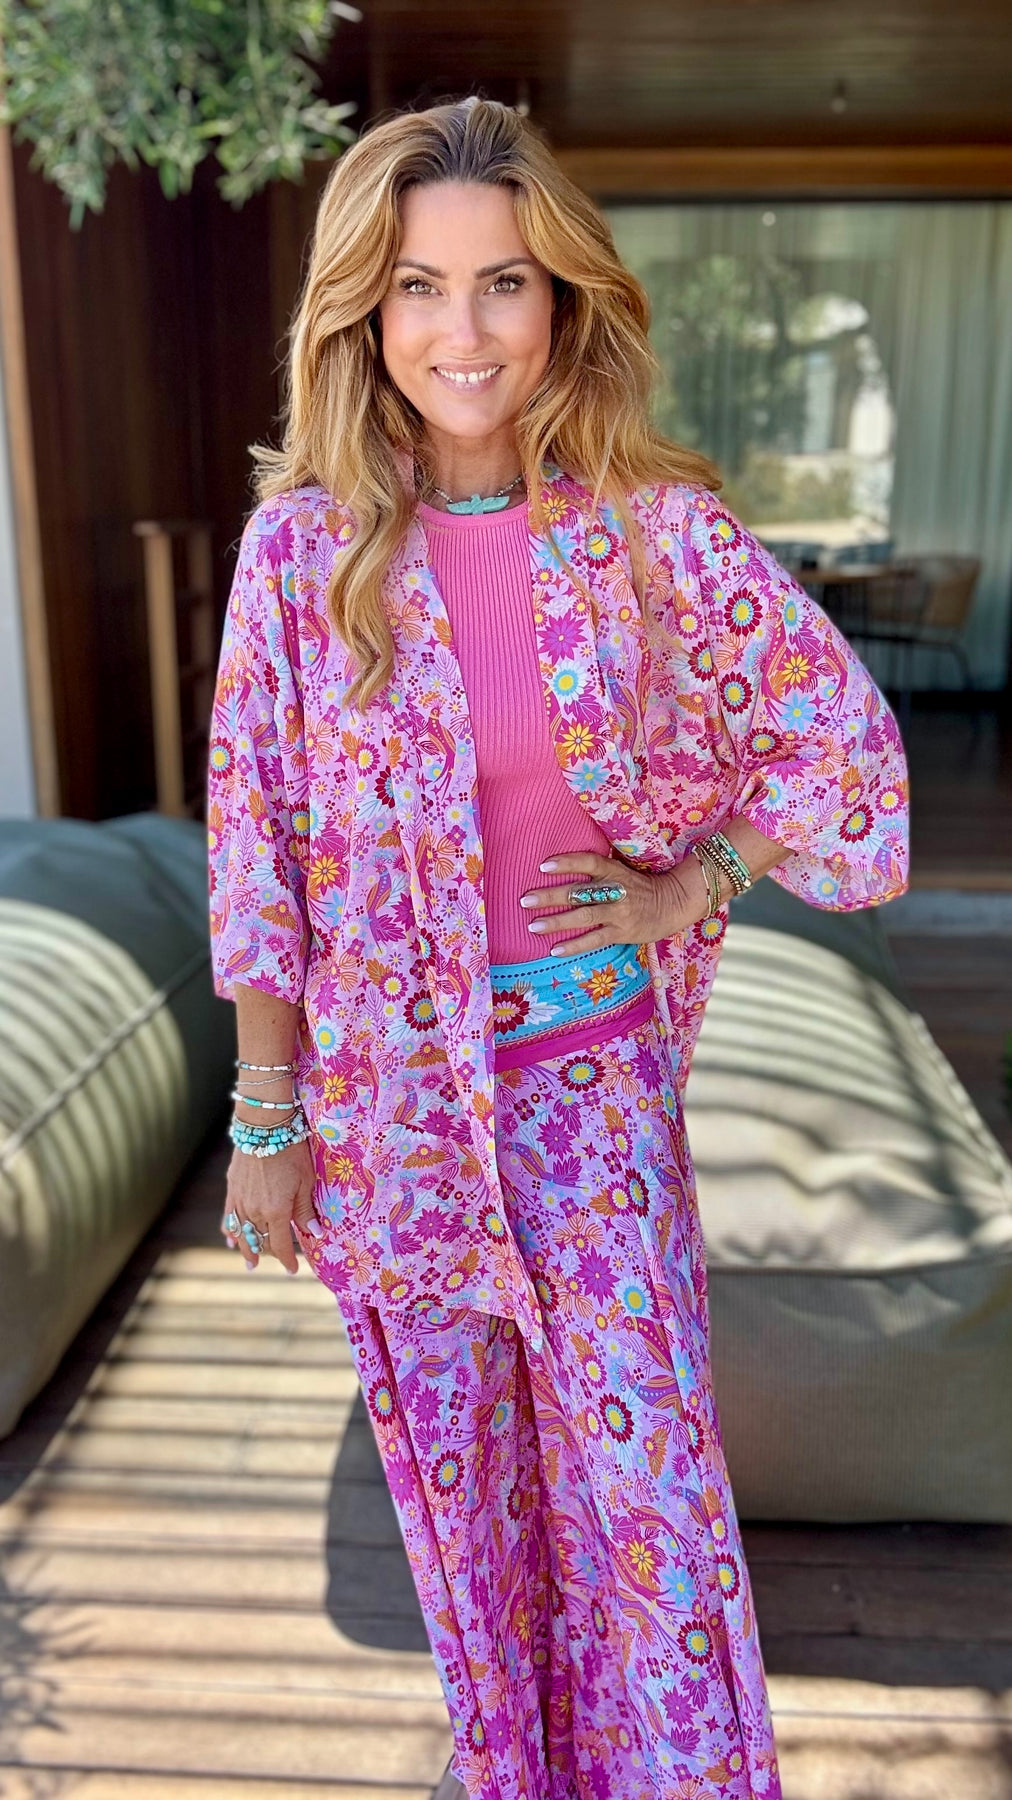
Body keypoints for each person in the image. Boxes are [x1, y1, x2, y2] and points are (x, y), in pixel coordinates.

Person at [208, 96, 909, 1800]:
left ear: (562, 298)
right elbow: (257, 844)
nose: (463, 331)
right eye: (420, 286)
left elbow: (842, 744)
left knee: (653, 1517)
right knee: (472, 1536)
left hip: (591, 1100)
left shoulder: (651, 533)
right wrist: (267, 1112)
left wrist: (694, 883)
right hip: (392, 1129)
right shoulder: (301, 554)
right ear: (366, 311)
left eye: (504, 282)